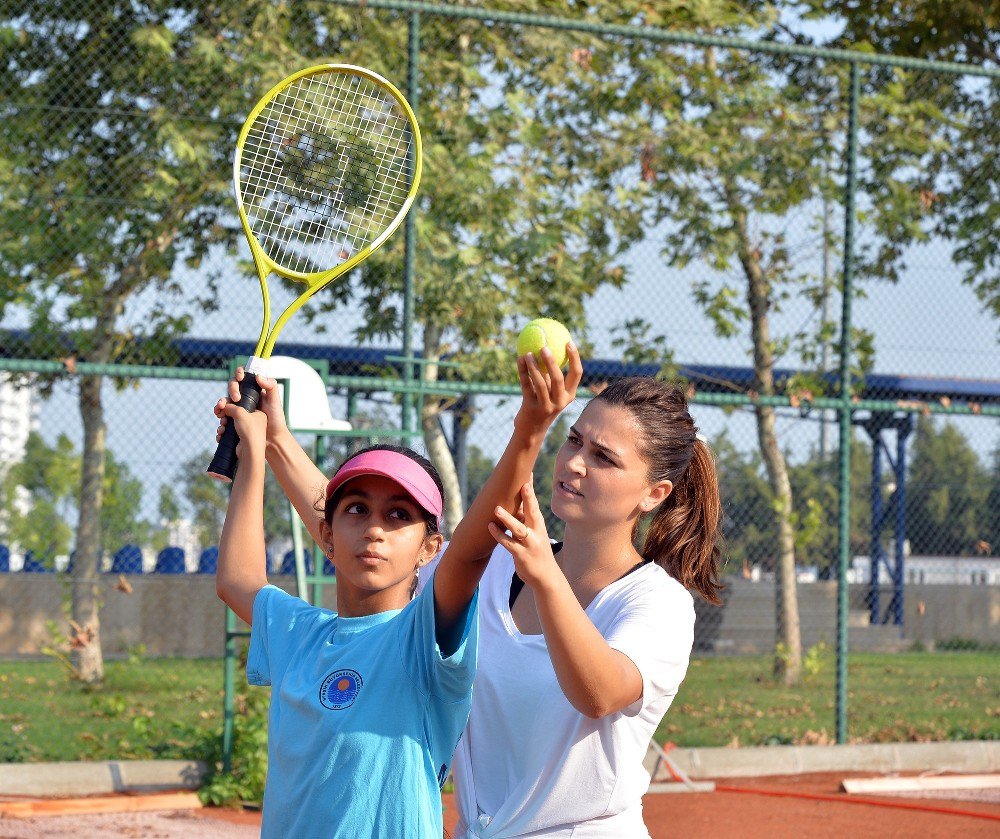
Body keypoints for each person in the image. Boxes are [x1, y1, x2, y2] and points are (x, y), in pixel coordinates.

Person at [213, 345, 582, 839]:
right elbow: (237, 581)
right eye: (357, 509)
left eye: (399, 516)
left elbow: (472, 550)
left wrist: (530, 430)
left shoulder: (423, 636)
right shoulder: (299, 634)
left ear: (430, 548)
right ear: (326, 534)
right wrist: (253, 455)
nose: (375, 530)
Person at [421, 375, 723, 838]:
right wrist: (273, 438)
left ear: (654, 493)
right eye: (574, 441)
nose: (575, 464)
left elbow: (598, 694)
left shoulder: (658, 601)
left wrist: (544, 576)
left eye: (603, 457)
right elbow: (363, 542)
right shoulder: (501, 566)